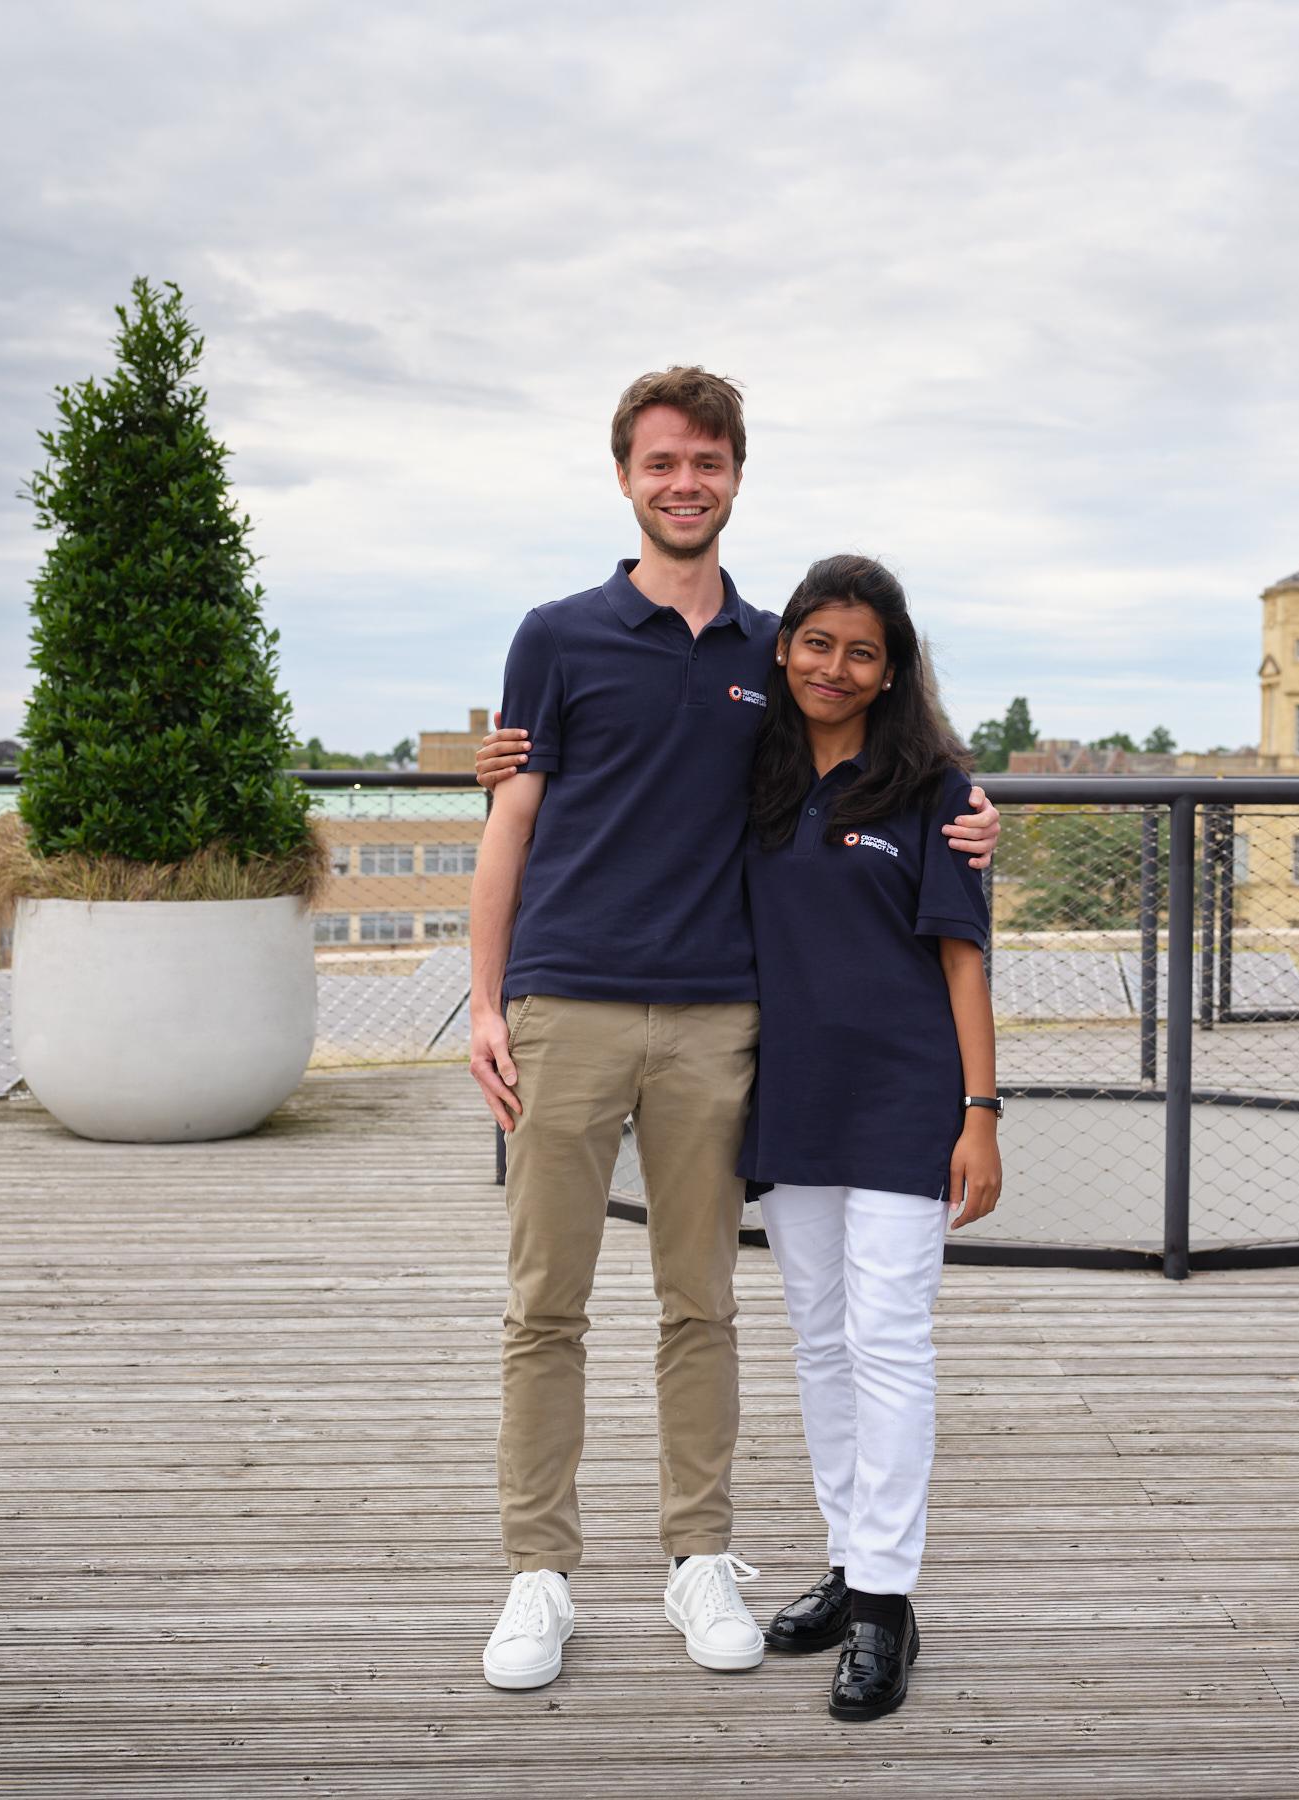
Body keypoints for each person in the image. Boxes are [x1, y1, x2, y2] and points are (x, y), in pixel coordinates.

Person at [466, 367, 1000, 1694]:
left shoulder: (775, 657)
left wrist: (979, 820)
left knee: (702, 1304)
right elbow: (511, 823)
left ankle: (699, 1559)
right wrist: (485, 1002)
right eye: (662, 462)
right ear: (628, 477)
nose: (684, 481)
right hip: (566, 1008)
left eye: (707, 460)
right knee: (546, 1304)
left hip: (720, 1026)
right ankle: (540, 1575)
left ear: (737, 476)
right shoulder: (555, 634)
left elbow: (889, 761)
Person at [736, 554, 1000, 1722]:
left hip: (903, 1101)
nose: (832, 668)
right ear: (784, 645)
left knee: (890, 1343)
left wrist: (981, 1114)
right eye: (814, 642)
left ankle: (889, 1604)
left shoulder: (938, 793)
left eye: (860, 651)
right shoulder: (752, 773)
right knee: (820, 1343)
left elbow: (962, 959)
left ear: (891, 670)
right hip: (788, 1099)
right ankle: (849, 1568)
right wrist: (508, 764)